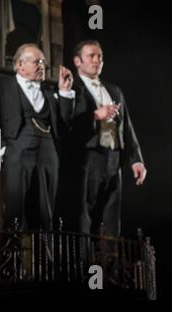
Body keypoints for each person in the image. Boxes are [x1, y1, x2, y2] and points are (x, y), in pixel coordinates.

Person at [0, 43, 74, 232]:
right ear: (19, 65)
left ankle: (44, 256)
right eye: (37, 61)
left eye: (44, 62)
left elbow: (65, 125)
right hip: (17, 153)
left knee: (46, 208)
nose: (42, 65)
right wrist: (3, 151)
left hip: (48, 154)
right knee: (16, 208)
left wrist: (65, 92)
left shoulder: (49, 90)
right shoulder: (1, 88)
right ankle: (13, 257)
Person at [69, 40, 147, 236]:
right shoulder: (71, 89)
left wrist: (136, 160)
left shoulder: (114, 91)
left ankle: (110, 265)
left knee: (111, 217)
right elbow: (68, 125)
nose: (97, 60)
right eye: (91, 56)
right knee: (86, 217)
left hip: (113, 159)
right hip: (89, 158)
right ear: (77, 61)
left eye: (100, 57)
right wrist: (96, 115)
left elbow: (127, 128)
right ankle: (84, 264)